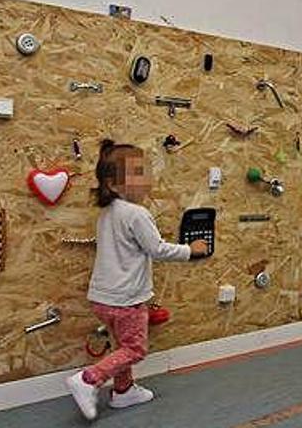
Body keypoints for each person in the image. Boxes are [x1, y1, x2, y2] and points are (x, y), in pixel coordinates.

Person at [66, 139, 208, 420]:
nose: (147, 179)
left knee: (122, 345)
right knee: (134, 348)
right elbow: (157, 249)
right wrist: (191, 251)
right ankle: (89, 379)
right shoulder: (137, 214)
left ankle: (124, 391)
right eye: (139, 173)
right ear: (113, 184)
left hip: (102, 299)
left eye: (146, 171)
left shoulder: (107, 213)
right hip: (126, 301)